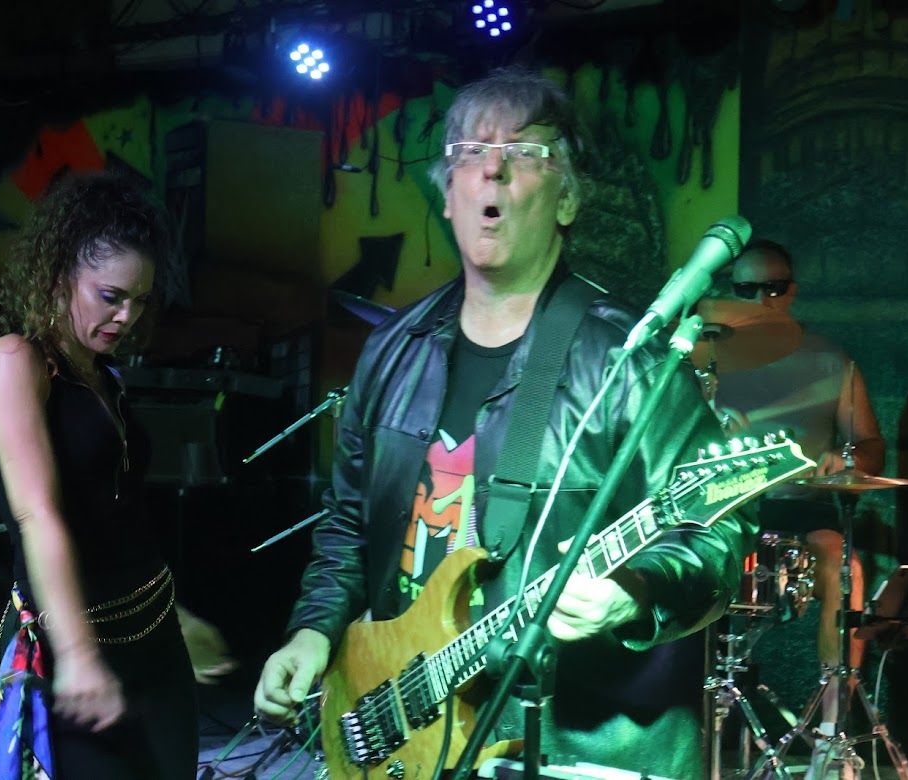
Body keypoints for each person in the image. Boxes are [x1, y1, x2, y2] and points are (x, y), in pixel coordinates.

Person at [255, 67, 754, 780]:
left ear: (567, 198)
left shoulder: (629, 362)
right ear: (447, 193)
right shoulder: (392, 350)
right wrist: (313, 632)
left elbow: (715, 533)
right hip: (403, 718)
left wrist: (632, 592)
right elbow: (347, 521)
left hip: (570, 742)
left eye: (524, 152)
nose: (492, 168)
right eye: (470, 151)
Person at [0, 171, 232, 778]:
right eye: (111, 295)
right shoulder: (15, 362)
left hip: (153, 636)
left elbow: (122, 521)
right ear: (58, 274)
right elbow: (37, 516)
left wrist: (176, 614)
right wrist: (78, 655)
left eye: (139, 300)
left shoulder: (104, 376)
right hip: (76, 645)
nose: (126, 315)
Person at [705, 238, 885, 776]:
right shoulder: (705, 359)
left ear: (791, 292)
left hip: (805, 508)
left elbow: (870, 445)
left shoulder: (830, 361)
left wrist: (845, 457)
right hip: (726, 508)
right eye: (746, 289)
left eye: (774, 287)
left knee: (846, 567)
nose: (761, 299)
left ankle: (832, 733)